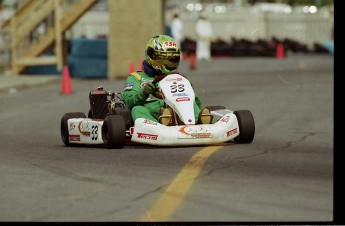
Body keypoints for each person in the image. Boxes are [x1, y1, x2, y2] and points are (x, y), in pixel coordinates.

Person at [122, 34, 211, 126]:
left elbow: (197, 104)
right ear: (151, 56)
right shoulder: (137, 77)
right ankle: (157, 128)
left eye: (172, 59)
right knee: (137, 109)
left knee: (192, 104)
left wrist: (189, 92)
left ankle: (199, 123)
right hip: (152, 116)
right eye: (163, 59)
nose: (168, 63)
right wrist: (143, 92)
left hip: (176, 113)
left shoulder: (177, 78)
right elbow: (129, 102)